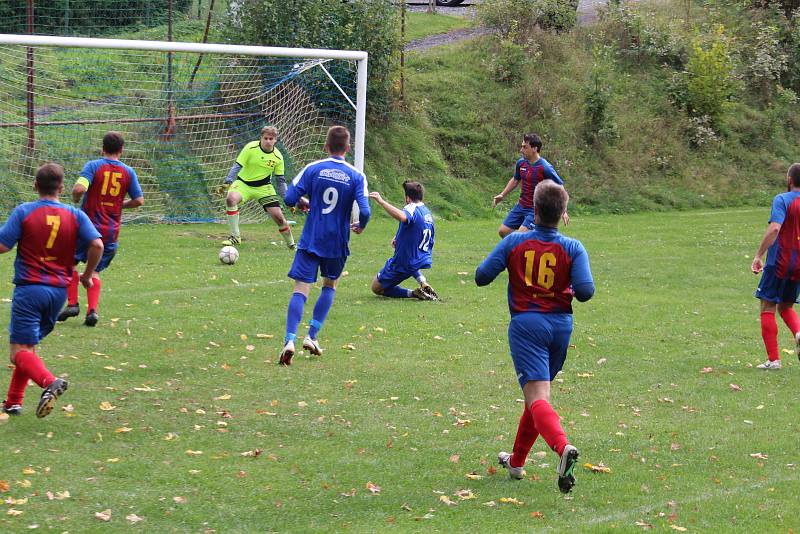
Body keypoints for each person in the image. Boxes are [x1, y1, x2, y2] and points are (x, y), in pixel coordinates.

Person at [475, 180, 594, 493]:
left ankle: (562, 447)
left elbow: (481, 276)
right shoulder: (573, 247)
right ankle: (516, 462)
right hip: (560, 328)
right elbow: (585, 292)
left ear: (534, 210)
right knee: (536, 398)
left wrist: (513, 256)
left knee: (537, 398)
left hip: (527, 325)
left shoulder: (515, 241)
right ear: (562, 212)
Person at [0, 163, 103, 418]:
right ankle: (13, 402)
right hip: (57, 293)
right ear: (61, 187)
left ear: (35, 185)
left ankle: (49, 382)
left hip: (30, 290)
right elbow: (97, 245)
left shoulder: (24, 212)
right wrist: (87, 275)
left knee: (19, 353)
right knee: (29, 348)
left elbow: (2, 246)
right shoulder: (75, 215)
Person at [279, 126, 371, 365]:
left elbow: (288, 197)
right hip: (337, 242)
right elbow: (366, 210)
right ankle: (312, 336)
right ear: (348, 149)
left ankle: (289, 340)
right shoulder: (356, 176)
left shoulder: (313, 168)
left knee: (301, 288)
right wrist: (361, 225)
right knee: (329, 286)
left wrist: (302, 203)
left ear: (325, 145)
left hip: (312, 238)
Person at [57, 131, 144, 327]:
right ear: (121, 150)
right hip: (110, 231)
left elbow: (79, 189)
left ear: (102, 148)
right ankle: (92, 311)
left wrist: (76, 199)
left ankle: (72, 303)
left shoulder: (93, 166)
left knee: (68, 263)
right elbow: (139, 200)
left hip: (86, 227)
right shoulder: (128, 172)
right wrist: (120, 205)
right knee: (94, 272)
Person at [751, 163, 800, 370]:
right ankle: (799, 333)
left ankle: (774, 360)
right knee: (786, 306)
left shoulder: (782, 200)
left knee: (767, 305)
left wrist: (758, 255)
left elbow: (775, 228)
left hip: (780, 261)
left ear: (789, 180)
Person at [221, 125, 297, 249]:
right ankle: (235, 237)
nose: (268, 141)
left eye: (271, 139)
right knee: (230, 199)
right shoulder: (250, 147)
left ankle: (292, 245)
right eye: (265, 138)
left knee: (279, 217)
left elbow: (280, 181)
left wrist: (288, 200)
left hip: (264, 187)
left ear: (275, 140)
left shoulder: (278, 157)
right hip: (243, 184)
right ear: (261, 138)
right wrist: (227, 181)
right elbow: (237, 165)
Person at [369, 181, 438, 301]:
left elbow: (403, 217)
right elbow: (417, 229)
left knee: (376, 287)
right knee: (411, 261)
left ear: (407, 198)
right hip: (421, 257)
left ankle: (414, 294)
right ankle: (423, 281)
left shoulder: (410, 208)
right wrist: (398, 237)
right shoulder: (426, 211)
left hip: (403, 262)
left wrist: (382, 202)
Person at [492, 133, 568, 237]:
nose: (521, 150)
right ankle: (527, 247)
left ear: (534, 149)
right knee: (503, 231)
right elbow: (515, 180)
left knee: (520, 236)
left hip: (536, 209)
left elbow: (560, 187)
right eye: (521, 146)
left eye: (524, 147)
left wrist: (563, 210)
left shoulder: (545, 167)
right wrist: (502, 195)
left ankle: (533, 246)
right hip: (521, 206)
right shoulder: (521, 163)